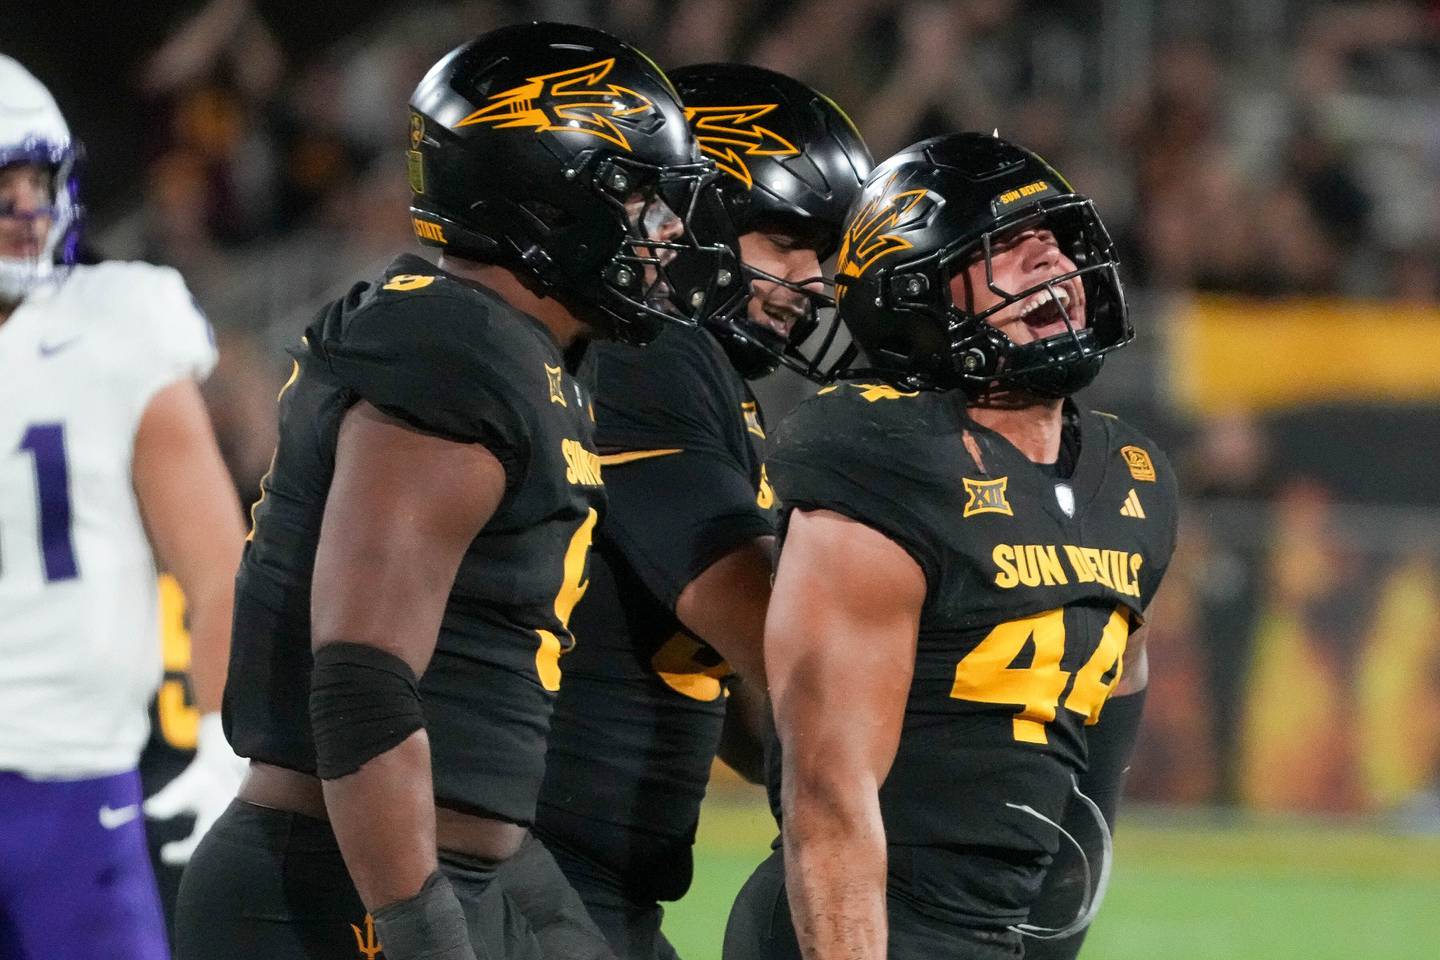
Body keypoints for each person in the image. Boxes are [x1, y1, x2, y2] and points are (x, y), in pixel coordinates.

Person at [173, 22, 738, 960]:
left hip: (441, 869)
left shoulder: (512, 351)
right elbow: (361, 683)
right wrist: (423, 931)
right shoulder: (452, 352)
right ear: (546, 199)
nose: (667, 229)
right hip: (337, 889)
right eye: (638, 196)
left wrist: (529, 899)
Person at [723, 132, 1179, 960]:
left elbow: (1116, 690)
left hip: (993, 933)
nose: (1050, 262)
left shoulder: (1131, 474)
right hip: (871, 924)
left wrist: (1053, 923)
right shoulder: (886, 460)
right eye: (1006, 247)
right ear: (917, 295)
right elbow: (827, 795)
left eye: (1054, 238)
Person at [530, 63, 871, 960]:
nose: (812, 278)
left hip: (582, 881)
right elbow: (767, 635)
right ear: (692, 215)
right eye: (788, 238)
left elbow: (723, 684)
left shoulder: (702, 377)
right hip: (527, 871)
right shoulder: (648, 350)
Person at [0, 55, 247, 960]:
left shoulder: (117, 322)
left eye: (38, 179)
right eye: (3, 185)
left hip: (72, 782)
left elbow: (219, 570)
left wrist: (227, 741)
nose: (27, 209)